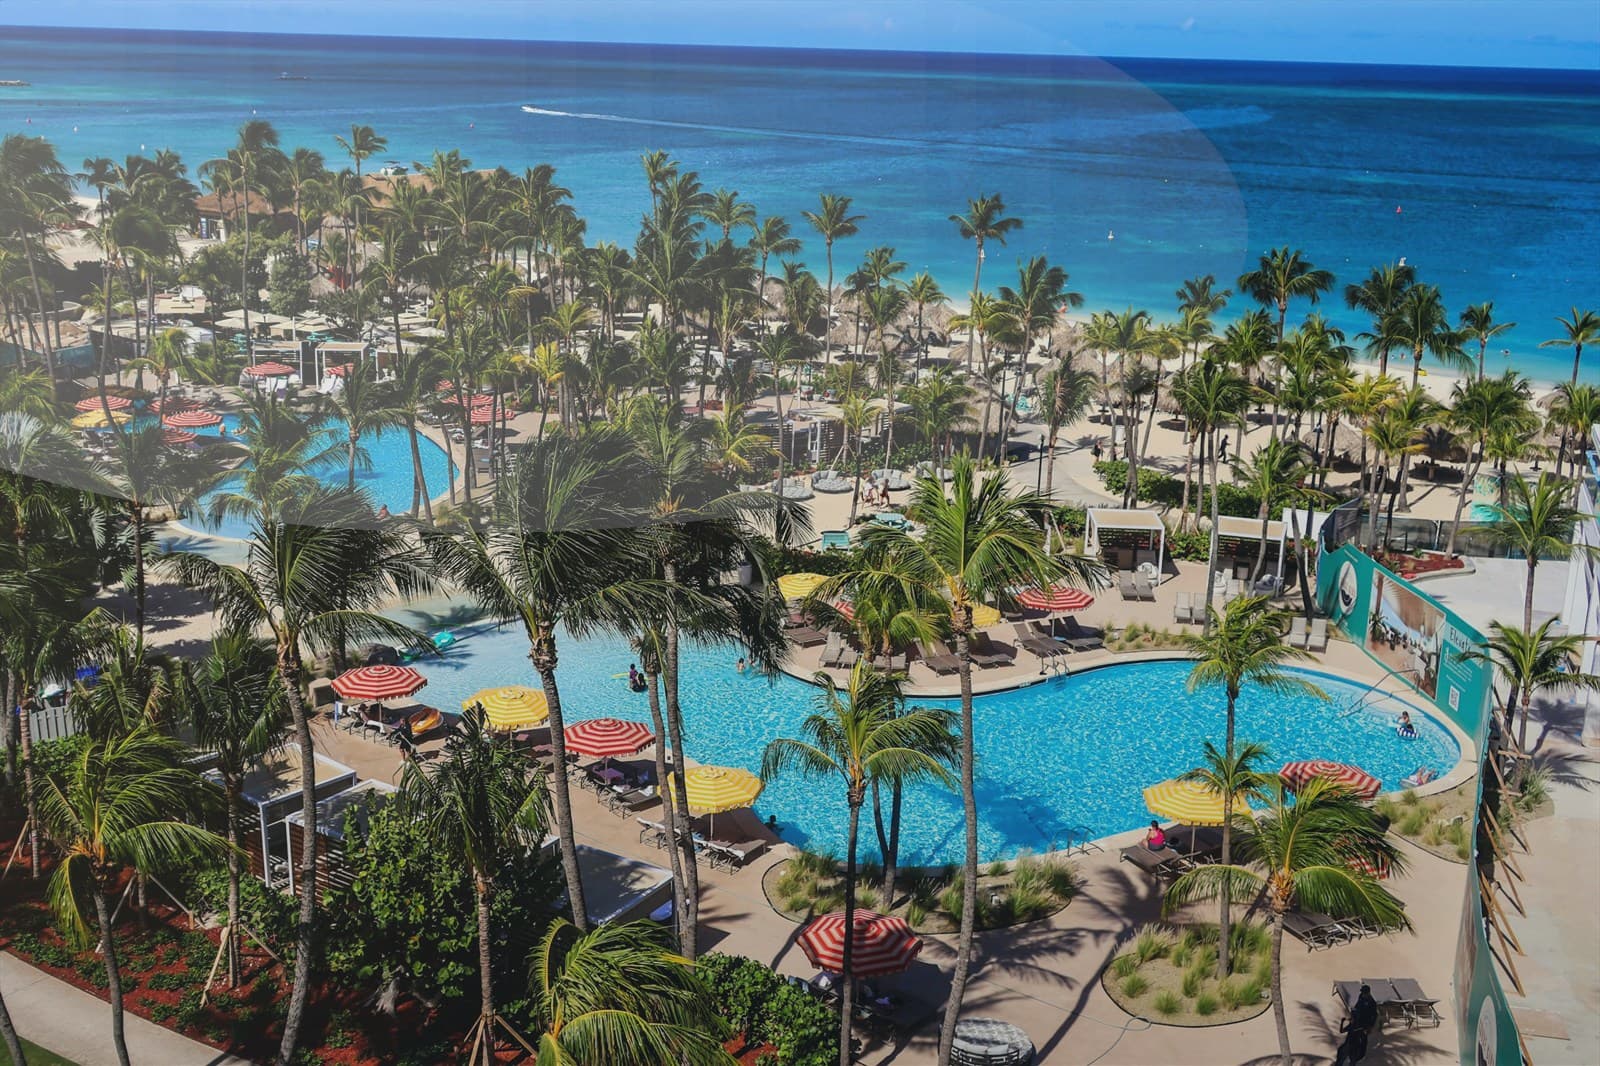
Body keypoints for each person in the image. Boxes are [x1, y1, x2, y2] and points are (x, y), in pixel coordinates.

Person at [1334, 984, 1379, 1065]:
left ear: (1368, 993)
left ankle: (1358, 1057)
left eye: (1364, 993)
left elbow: (1374, 1015)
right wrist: (1352, 1017)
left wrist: (1370, 1026)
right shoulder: (1361, 997)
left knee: (1362, 1045)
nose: (1363, 994)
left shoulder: (1372, 1003)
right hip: (1356, 1023)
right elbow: (1356, 1007)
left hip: (1364, 1025)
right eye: (1362, 992)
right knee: (1346, 1046)